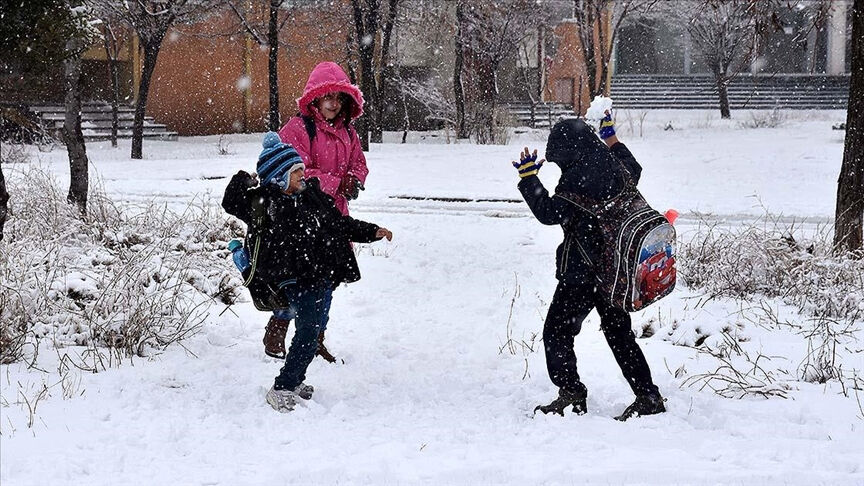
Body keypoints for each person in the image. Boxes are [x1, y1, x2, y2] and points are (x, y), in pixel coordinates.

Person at [222, 132, 392, 413]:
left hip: (320, 273)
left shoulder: (313, 197)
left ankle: (296, 379)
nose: (303, 174)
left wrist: (372, 231)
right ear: (279, 176)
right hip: (292, 278)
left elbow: (340, 224)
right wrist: (243, 179)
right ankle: (283, 386)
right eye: (295, 171)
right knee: (308, 332)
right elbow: (231, 202)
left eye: (301, 168)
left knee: (312, 331)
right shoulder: (264, 202)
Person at [513, 113, 665, 421]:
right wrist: (612, 139)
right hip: (615, 272)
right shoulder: (615, 166)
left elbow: (549, 213)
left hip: (582, 275)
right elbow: (634, 166)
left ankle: (571, 394)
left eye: (560, 161)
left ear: (570, 152)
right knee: (620, 335)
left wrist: (529, 178)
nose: (560, 167)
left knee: (556, 332)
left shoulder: (578, 181)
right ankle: (648, 396)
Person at [262, 61, 368, 363]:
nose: (334, 103)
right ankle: (279, 325)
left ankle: (315, 338)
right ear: (315, 98)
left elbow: (359, 163)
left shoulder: (349, 132)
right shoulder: (297, 129)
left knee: (329, 280)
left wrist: (355, 179)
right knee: (298, 280)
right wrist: (335, 183)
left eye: (339, 97)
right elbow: (294, 172)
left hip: (334, 217)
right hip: (302, 219)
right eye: (328, 97)